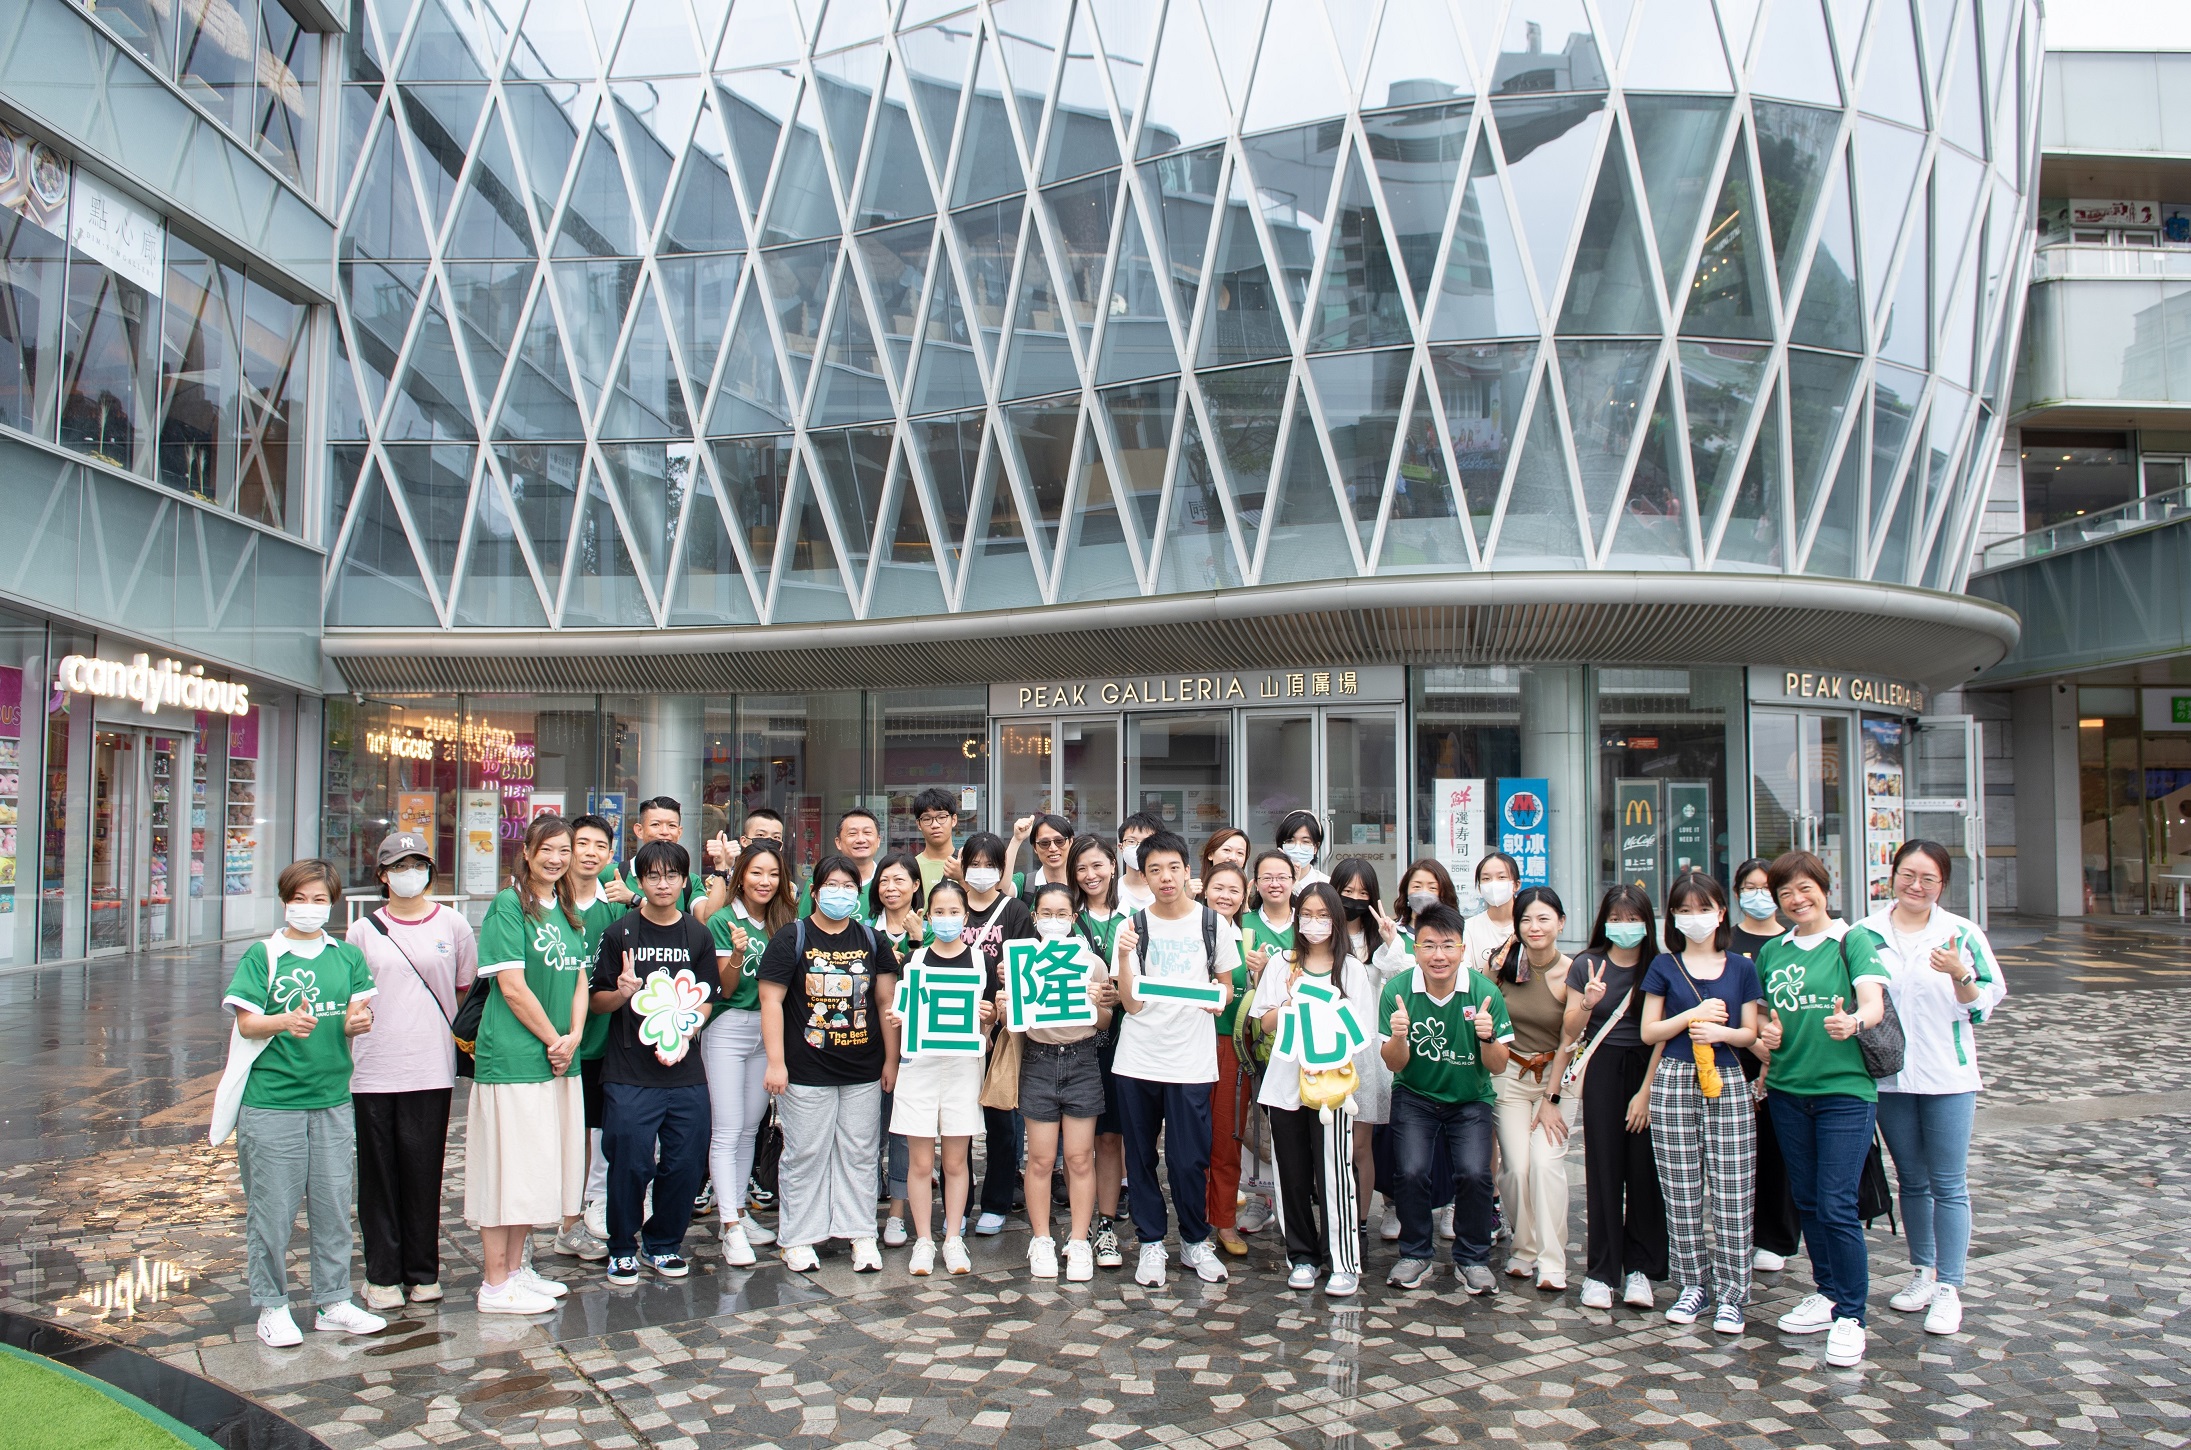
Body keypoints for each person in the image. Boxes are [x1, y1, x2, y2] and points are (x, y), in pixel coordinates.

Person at [224, 859, 385, 1347]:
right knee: (271, 1211)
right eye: (300, 899)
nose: (309, 908)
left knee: (335, 1204)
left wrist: (359, 1022)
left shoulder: (346, 956)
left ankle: (333, 1300)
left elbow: (359, 1010)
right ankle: (272, 1306)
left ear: (332, 903)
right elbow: (247, 1023)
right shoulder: (263, 956)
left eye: (319, 900)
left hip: (333, 1098)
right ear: (284, 900)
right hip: (273, 1102)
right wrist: (282, 1021)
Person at [1859, 840, 2007, 1337]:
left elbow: (1984, 1004)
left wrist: (1960, 974)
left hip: (1948, 1076)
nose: (1915, 886)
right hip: (1891, 1077)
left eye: (1927, 878)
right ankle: (1922, 1271)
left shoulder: (1961, 934)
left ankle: (1950, 1287)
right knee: (1912, 1180)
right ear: (1892, 876)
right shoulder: (1866, 933)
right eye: (1907, 875)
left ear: (1942, 884)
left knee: (1949, 1182)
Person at [1754, 849, 1890, 1368]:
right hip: (1789, 1090)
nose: (1796, 899)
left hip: (1845, 1093)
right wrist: (1768, 1036)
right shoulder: (1774, 951)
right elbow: (1770, 1020)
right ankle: (1828, 1291)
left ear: (1824, 888)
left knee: (1836, 1204)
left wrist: (1854, 1022)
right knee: (1809, 1200)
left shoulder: (1852, 940)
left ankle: (1852, 1316)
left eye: (1804, 888)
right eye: (1785, 893)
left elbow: (1873, 1002)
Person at [346, 830, 477, 1310]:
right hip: (373, 1066)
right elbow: (353, 996)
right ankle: (381, 1275)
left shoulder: (454, 925)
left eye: (417, 864)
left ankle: (424, 1273)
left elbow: (465, 993)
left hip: (431, 1066)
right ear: (382, 875)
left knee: (424, 1172)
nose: (410, 874)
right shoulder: (363, 931)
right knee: (377, 1175)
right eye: (399, 866)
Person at [466, 816, 591, 1315]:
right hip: (517, 1059)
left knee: (534, 1171)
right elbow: (512, 987)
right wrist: (553, 1039)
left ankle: (516, 1271)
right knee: (506, 1172)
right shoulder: (508, 905)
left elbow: (579, 978)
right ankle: (495, 1283)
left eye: (565, 850)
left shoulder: (563, 908)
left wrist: (574, 1036)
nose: (557, 859)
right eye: (549, 849)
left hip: (559, 1058)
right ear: (528, 851)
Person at [759, 853, 902, 1273]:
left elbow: (885, 1002)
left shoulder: (873, 941)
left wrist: (891, 1060)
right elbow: (772, 1000)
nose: (840, 894)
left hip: (862, 1068)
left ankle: (860, 1233)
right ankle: (800, 1237)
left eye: (848, 887)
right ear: (815, 892)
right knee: (806, 1152)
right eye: (831, 887)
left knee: (860, 1153)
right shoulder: (792, 938)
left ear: (858, 894)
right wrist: (775, 1062)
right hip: (805, 1069)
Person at [1111, 829, 1241, 1288]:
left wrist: (1220, 999)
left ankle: (1193, 1240)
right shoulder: (1131, 928)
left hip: (1191, 1060)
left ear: (1188, 871)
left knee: (1190, 1159)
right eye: (1154, 870)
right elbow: (1130, 1004)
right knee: (1141, 1158)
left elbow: (1225, 983)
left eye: (1172, 868)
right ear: (1143, 877)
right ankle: (1150, 1243)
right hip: (1138, 1060)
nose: (1165, 878)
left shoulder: (1214, 924)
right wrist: (1125, 959)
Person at [589, 840, 722, 1284]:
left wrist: (687, 1029)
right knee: (629, 1160)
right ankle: (622, 1246)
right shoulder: (620, 933)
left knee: (685, 1161)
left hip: (685, 1072)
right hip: (629, 1071)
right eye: (652, 876)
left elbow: (706, 998)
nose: (662, 884)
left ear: (685, 882)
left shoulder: (697, 935)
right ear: (639, 881)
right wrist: (621, 992)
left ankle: (663, 1243)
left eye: (671, 876)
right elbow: (597, 1002)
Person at [1640, 871, 1763, 1334]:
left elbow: (1750, 1032)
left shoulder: (1742, 968)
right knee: (1680, 1185)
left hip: (1727, 1078)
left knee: (1733, 1186)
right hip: (1674, 1077)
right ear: (1672, 915)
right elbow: (1651, 1031)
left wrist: (1722, 1033)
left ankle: (1733, 1292)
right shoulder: (1665, 966)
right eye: (1685, 910)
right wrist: (1691, 1015)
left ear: (1721, 912)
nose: (1695, 918)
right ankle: (1692, 1283)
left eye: (1704, 908)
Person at [1253, 882, 1379, 1297]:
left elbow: (1362, 1032)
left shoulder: (1351, 969)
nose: (1314, 922)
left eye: (1323, 915)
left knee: (1334, 1173)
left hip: (1333, 1089)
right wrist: (1288, 1007)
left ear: (1337, 920)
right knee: (1290, 1171)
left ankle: (1341, 1259)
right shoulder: (1282, 964)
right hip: (1286, 1083)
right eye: (1306, 913)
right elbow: (1263, 1021)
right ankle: (1302, 1256)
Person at [1379, 903, 1512, 1295]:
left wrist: (1487, 1036)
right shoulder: (1397, 990)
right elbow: (1393, 1063)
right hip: (1415, 1095)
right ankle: (1415, 1254)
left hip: (1470, 1099)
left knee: (1474, 1173)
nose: (1439, 955)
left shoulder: (1485, 993)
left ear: (1462, 948)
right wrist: (1399, 1036)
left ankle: (1472, 1259)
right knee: (1412, 1171)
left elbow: (1499, 1065)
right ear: (1415, 948)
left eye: (1448, 946)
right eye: (1429, 945)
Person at [1564, 885, 1668, 1311]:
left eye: (1633, 919)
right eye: (1617, 919)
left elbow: (1664, 1034)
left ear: (1648, 922)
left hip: (1650, 1067)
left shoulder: (1660, 966)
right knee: (1604, 1169)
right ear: (1603, 920)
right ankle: (1601, 1272)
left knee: (1645, 1171)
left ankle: (1640, 1269)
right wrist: (1588, 1002)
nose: (1625, 928)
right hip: (1604, 1066)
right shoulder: (1587, 964)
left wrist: (1646, 1091)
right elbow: (1570, 1030)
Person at [887, 877, 997, 1276]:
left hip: (962, 1069)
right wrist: (899, 1017)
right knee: (920, 1163)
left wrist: (989, 1021)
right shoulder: (914, 961)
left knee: (955, 1161)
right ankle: (923, 1240)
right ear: (927, 916)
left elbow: (986, 1030)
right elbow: (904, 1011)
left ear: (965, 916)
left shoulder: (980, 962)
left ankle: (953, 1238)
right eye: (939, 912)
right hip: (919, 1068)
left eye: (954, 912)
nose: (947, 918)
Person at [1016, 882, 1115, 1282]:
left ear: (1074, 919)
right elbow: (1013, 1024)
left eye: (1062, 914)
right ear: (1035, 917)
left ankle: (1077, 1240)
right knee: (1039, 1159)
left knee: (1078, 1158)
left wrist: (1102, 1003)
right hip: (1038, 1061)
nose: (1053, 921)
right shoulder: (1021, 959)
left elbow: (1104, 1025)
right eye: (1046, 914)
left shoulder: (1091, 963)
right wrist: (1007, 1004)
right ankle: (1041, 1238)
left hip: (1082, 1060)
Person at [705, 840, 793, 1265]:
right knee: (727, 1127)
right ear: (741, 875)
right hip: (728, 1029)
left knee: (748, 1129)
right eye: (757, 872)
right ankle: (729, 1226)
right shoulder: (723, 921)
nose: (765, 881)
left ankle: (739, 1210)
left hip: (767, 1033)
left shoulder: (783, 921)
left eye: (773, 874)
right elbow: (723, 989)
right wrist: (737, 955)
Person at [1490, 886, 1579, 1293]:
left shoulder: (1574, 973)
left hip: (1555, 1081)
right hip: (1509, 1075)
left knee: (1546, 1166)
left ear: (1561, 922)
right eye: (1526, 919)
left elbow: (1569, 1043)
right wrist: (1494, 967)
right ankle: (1524, 1248)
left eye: (1544, 918)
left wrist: (1551, 1099)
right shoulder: (1506, 967)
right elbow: (1482, 1007)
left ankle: (1552, 1259)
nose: (1534, 927)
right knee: (1515, 1169)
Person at [958, 831, 1036, 1236]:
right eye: (976, 863)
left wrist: (1000, 1014)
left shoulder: (1015, 911)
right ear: (963, 864)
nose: (983, 872)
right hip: (952, 1029)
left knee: (1002, 1121)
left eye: (991, 865)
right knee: (954, 1122)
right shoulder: (950, 904)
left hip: (1001, 1033)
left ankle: (997, 1201)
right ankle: (959, 1202)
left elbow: (1028, 973)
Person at [1330, 859, 1412, 1233]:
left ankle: (1359, 1222)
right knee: (1329, 1146)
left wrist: (1393, 940)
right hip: (1326, 1052)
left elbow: (1402, 982)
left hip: (1367, 1056)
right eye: (1348, 892)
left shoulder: (1382, 941)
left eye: (1364, 894)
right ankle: (1332, 1220)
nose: (1355, 900)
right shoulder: (1323, 935)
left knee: (1360, 1146)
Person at [1729, 856, 1799, 1275]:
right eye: (1749, 888)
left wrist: (1771, 1053)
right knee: (1738, 1154)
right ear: (1736, 894)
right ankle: (1740, 1232)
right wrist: (1756, 1046)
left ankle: (1777, 1237)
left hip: (1787, 1059)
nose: (1758, 896)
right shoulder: (1727, 941)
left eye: (1766, 887)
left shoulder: (1793, 941)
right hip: (1734, 1057)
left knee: (1779, 1150)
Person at [1068, 833, 1132, 1269]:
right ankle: (1076, 1227)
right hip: (1070, 1045)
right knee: (1073, 1144)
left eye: (1098, 865)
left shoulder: (1133, 921)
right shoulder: (1060, 918)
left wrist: (1120, 995)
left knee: (1109, 1138)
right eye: (1082, 868)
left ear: (1114, 865)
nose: (1091, 875)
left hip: (1121, 1042)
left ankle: (1105, 1226)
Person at [565, 814, 623, 1259]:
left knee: (599, 1129)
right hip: (553, 1040)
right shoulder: (541, 903)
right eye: (580, 843)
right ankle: (559, 1219)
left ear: (610, 854)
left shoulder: (617, 906)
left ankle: (589, 1211)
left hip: (604, 1038)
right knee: (559, 1133)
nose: (588, 852)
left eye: (599, 845)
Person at [1234, 850, 1300, 1236]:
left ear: (1294, 880)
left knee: (1291, 1124)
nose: (1275, 883)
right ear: (1255, 883)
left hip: (1297, 1043)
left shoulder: (1306, 925)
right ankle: (1260, 1199)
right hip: (1254, 1041)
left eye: (1282, 876)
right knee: (1254, 1122)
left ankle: (1292, 1200)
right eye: (1266, 877)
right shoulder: (1243, 925)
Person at [870, 852, 927, 1243]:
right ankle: (861, 1202)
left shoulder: (932, 929)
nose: (891, 888)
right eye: (884, 880)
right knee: (866, 1127)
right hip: (865, 1043)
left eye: (899, 880)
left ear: (916, 886)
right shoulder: (862, 929)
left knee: (904, 1130)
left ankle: (897, 1211)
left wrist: (917, 940)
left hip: (915, 1046)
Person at [1201, 861, 1255, 1256]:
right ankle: (1191, 1220)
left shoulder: (1249, 941)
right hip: (1185, 1044)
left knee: (1226, 1138)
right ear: (1204, 889)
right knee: (1188, 1142)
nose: (1225, 896)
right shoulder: (1189, 930)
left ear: (1244, 895)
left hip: (1231, 1050)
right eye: (1218, 887)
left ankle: (1222, 1221)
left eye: (1233, 890)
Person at [798, 809, 885, 914]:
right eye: (852, 833)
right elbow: (803, 925)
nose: (861, 839)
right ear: (838, 842)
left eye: (867, 832)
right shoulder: (819, 883)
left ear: (878, 840)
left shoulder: (888, 884)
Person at [1464, 852, 1521, 976]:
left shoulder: (1528, 925)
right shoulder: (1468, 928)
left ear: (1516, 885)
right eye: (1486, 879)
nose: (1493, 883)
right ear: (1479, 888)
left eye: (1501, 877)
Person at [910, 787, 964, 895]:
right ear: (918, 824)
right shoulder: (911, 867)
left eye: (942, 817)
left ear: (954, 820)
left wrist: (962, 879)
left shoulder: (967, 864)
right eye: (927, 819)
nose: (935, 825)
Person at [1011, 812, 1076, 900]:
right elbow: (1002, 891)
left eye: (1059, 841)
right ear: (1035, 847)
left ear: (1071, 842)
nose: (1053, 848)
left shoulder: (1083, 882)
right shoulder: (1024, 883)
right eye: (1044, 843)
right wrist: (1016, 839)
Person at [1116, 811, 1163, 911]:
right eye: (1131, 841)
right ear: (1121, 847)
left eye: (1147, 842)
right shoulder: (1110, 892)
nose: (1139, 848)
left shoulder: (1170, 889)